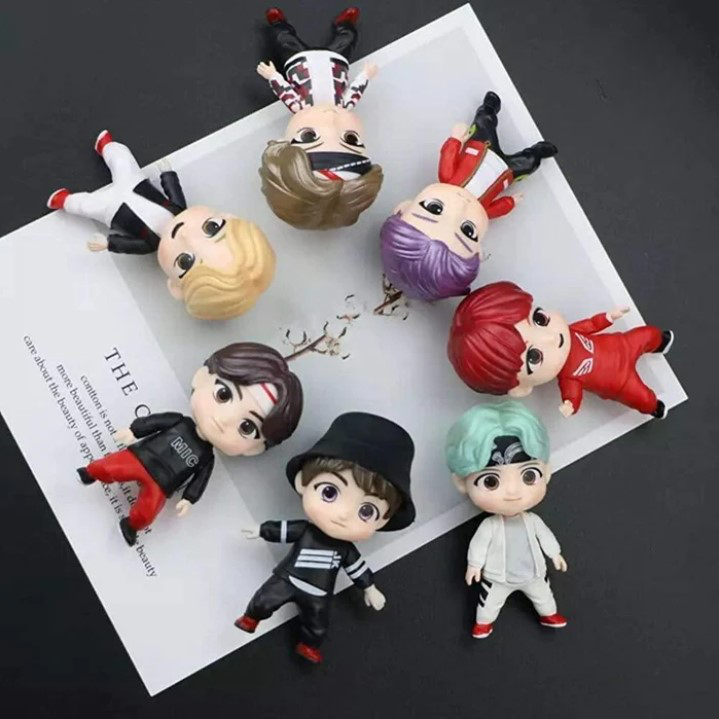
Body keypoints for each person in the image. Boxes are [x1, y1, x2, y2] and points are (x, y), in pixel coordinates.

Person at [77, 343, 303, 546]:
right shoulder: (179, 422)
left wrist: (189, 499)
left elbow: (199, 481)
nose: (224, 420)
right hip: (141, 457)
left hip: (163, 484)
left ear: (255, 449)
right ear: (202, 377)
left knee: (147, 513)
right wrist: (133, 431)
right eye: (223, 394)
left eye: (247, 427)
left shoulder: (207, 458)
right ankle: (89, 473)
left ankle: (131, 526)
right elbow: (154, 422)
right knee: (110, 467)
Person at [235, 412, 415, 663]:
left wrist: (370, 587)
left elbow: (357, 568)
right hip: (288, 577)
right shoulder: (305, 530)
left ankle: (309, 645)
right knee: (265, 599)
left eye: (366, 511)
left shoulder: (345, 550)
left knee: (317, 623)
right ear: (303, 482)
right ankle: (250, 618)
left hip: (319, 592)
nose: (343, 514)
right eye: (330, 492)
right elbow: (284, 530)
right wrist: (262, 530)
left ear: (383, 520)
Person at [47, 131, 275, 320]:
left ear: (175, 287)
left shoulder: (149, 242)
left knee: (87, 205)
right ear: (227, 216)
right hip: (136, 183)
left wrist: (108, 243)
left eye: (185, 261)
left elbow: (130, 245)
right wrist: (168, 174)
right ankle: (107, 146)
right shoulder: (177, 209)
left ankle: (64, 201)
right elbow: (174, 191)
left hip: (112, 210)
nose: (185, 236)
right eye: (211, 228)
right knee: (123, 159)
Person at [380, 91, 557, 301]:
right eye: (468, 230)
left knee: (484, 124)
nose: (460, 207)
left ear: (404, 207)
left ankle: (489, 108)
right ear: (478, 252)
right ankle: (537, 152)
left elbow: (448, 157)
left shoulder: (448, 176)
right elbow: (497, 209)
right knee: (527, 163)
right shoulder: (483, 208)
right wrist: (511, 201)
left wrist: (455, 139)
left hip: (478, 148)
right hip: (506, 172)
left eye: (435, 208)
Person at [447, 280, 674, 418]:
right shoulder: (569, 377)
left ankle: (661, 342)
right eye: (534, 356)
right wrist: (569, 406)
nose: (550, 338)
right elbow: (572, 395)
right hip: (620, 383)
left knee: (648, 334)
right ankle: (654, 408)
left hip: (622, 343)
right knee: (642, 397)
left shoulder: (571, 331)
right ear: (520, 388)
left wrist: (609, 316)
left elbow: (591, 325)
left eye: (540, 319)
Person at [446, 400, 568, 639]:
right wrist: (474, 565)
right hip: (498, 577)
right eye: (491, 481)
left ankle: (549, 614)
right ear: (461, 483)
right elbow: (479, 545)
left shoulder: (532, 520)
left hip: (533, 572)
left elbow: (544, 536)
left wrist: (555, 554)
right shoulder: (490, 525)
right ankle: (483, 623)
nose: (512, 492)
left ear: (546, 472)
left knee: (543, 595)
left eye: (529, 476)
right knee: (489, 602)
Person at [256, 7, 383, 229]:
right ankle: (345, 24)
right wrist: (365, 75)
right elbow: (355, 91)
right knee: (347, 39)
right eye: (350, 139)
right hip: (336, 62)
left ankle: (279, 24)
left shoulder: (299, 105)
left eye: (309, 136)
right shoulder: (343, 104)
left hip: (299, 63)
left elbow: (286, 91)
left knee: (284, 40)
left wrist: (272, 75)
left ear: (283, 142)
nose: (331, 120)